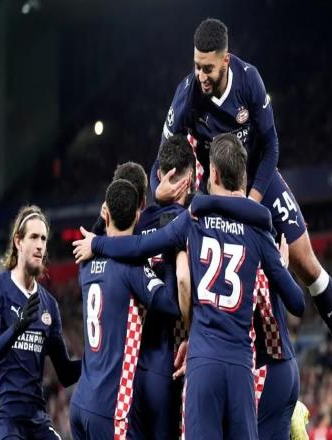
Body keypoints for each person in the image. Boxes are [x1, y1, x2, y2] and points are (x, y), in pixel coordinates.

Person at [151, 17, 332, 402]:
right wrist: (159, 189)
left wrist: (252, 202)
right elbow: (162, 158)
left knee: (306, 264)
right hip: (216, 189)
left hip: (258, 182)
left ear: (226, 60)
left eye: (208, 68)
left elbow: (271, 146)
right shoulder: (186, 95)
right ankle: (284, 400)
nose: (201, 75)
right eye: (196, 66)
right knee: (231, 289)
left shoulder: (249, 80)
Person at [74, 133, 305, 438]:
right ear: (243, 177)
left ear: (214, 174)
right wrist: (280, 268)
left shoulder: (193, 220)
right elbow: (297, 303)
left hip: (196, 362)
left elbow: (137, 245)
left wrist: (97, 244)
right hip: (240, 366)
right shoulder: (258, 230)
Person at [69, 179, 181, 440]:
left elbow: (96, 236)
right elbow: (171, 304)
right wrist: (170, 260)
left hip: (80, 403)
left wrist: (100, 223)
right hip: (110, 410)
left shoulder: (86, 263)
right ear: (139, 216)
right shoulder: (133, 268)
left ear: (106, 214)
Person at [0, 205, 81, 440]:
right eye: (34, 237)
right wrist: (18, 326)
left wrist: (99, 359)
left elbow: (65, 373)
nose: (40, 245)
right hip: (3, 413)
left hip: (36, 416)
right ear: (18, 241)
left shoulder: (49, 304)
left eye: (43, 239)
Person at [127, 134, 195, 439]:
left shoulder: (137, 223)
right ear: (190, 180)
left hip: (131, 363)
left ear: (160, 176)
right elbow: (183, 279)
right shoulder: (188, 223)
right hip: (168, 361)